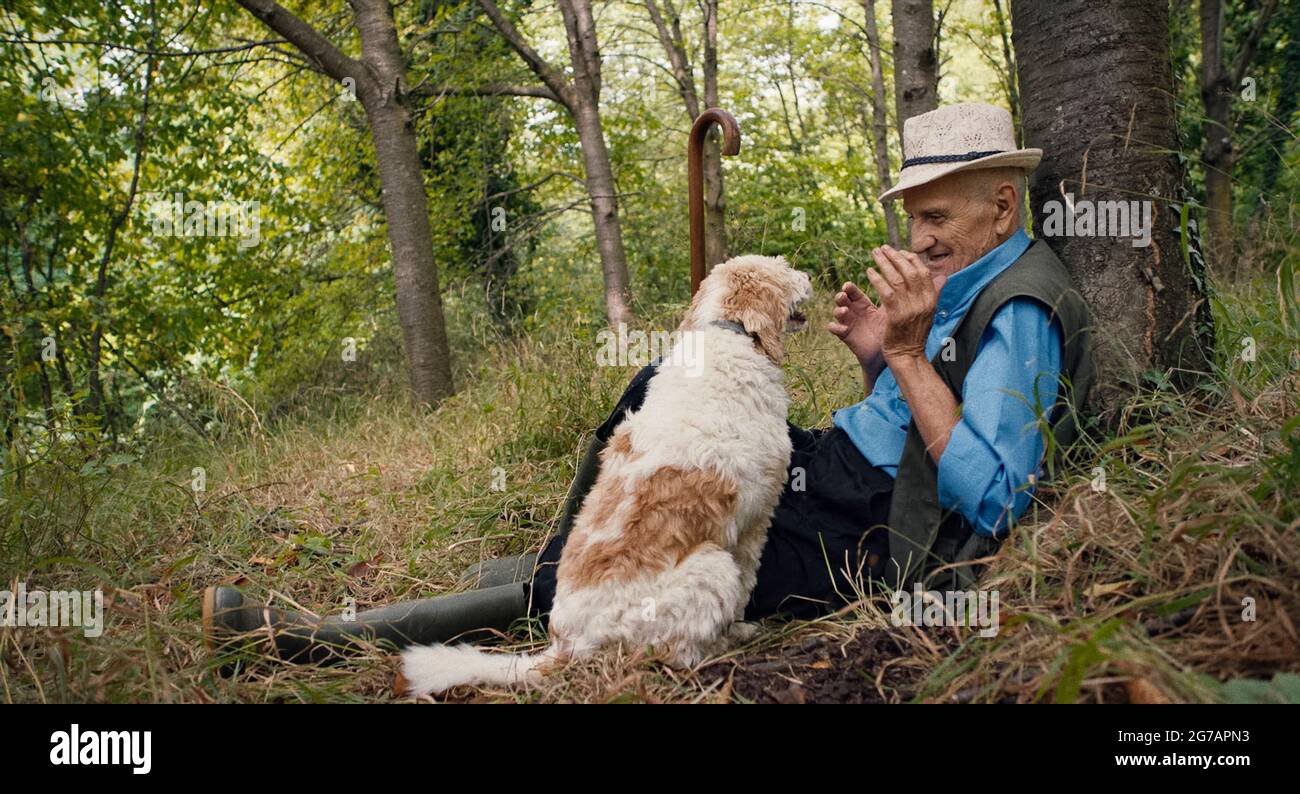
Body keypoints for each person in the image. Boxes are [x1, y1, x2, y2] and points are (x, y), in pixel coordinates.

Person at [203, 102, 1092, 664]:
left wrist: (901, 358)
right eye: (915, 218)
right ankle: (539, 576)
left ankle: (298, 641)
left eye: (936, 216)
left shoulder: (1018, 312)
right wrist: (875, 354)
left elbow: (998, 496)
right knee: (659, 384)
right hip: (837, 472)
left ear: (1001, 206)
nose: (922, 236)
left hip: (872, 532)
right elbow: (918, 410)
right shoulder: (964, 280)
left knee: (640, 567)